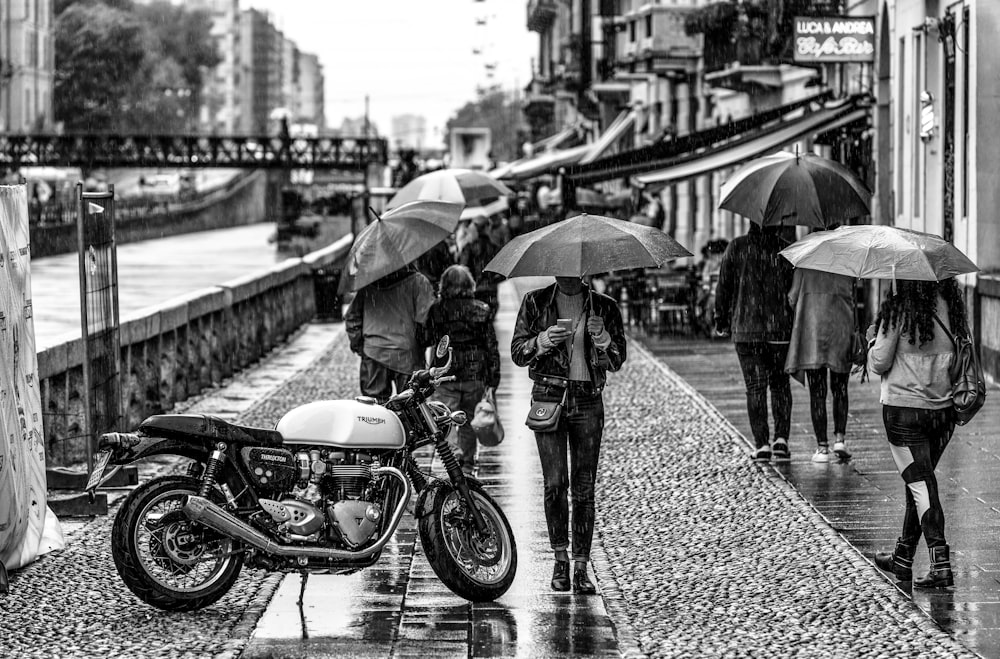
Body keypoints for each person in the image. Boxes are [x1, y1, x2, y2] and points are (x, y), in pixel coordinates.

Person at [511, 276, 626, 594]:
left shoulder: (603, 306)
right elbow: (518, 353)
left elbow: (617, 359)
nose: (568, 274)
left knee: (584, 488)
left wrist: (602, 338)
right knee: (555, 483)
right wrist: (543, 340)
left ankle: (580, 566)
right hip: (549, 397)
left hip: (588, 400)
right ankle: (560, 559)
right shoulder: (536, 303)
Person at [869, 278, 965, 588]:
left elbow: (879, 362)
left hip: (903, 412)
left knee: (921, 485)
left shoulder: (898, 308)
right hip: (942, 412)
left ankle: (940, 561)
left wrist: (873, 340)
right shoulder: (952, 306)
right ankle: (903, 556)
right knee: (920, 482)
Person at [714, 224, 795, 463]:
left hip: (747, 330)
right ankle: (781, 439)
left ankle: (762, 443)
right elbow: (793, 290)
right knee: (780, 384)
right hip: (779, 329)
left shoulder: (736, 247)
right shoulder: (784, 250)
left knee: (755, 387)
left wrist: (721, 318)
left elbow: (724, 286)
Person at [422, 265, 500, 474]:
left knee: (444, 419)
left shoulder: (437, 310)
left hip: (444, 373)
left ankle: (452, 451)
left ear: (444, 285)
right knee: (467, 420)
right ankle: (466, 463)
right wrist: (493, 379)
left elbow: (425, 338)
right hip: (474, 374)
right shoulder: (482, 309)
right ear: (469, 285)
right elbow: (491, 347)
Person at [785, 268, 855, 463]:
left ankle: (822, 447)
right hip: (841, 331)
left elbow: (792, 299)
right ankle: (840, 439)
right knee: (840, 388)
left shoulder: (805, 266)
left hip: (812, 334)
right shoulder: (845, 264)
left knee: (817, 392)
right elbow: (852, 297)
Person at [344, 266, 435, 402]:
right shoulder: (418, 282)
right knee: (411, 410)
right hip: (407, 355)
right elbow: (427, 320)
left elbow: (352, 318)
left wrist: (360, 346)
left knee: (374, 412)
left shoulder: (369, 284)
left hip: (374, 353)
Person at [459, 213, 502, 319]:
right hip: (491, 291)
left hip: (474, 291)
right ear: (487, 227)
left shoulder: (468, 248)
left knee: (476, 324)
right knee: (489, 323)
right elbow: (501, 272)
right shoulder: (495, 248)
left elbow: (463, 270)